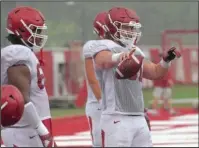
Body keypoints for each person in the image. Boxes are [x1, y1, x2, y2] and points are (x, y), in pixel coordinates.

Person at [91, 7, 181, 147]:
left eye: (133, 28)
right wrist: (120, 56)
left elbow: (156, 72)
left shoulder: (135, 50)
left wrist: (166, 61)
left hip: (138, 116)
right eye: (127, 27)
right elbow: (102, 60)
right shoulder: (104, 46)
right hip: (116, 117)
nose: (132, 32)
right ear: (113, 27)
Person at [1, 6, 56, 147]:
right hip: (25, 129)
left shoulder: (24, 53)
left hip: (28, 128)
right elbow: (18, 98)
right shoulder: (18, 53)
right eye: (37, 31)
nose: (40, 35)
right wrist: (42, 130)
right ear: (22, 31)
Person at [82, 11, 109, 147]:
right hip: (99, 105)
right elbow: (93, 79)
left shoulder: (121, 47)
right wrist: (104, 102)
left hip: (118, 105)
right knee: (100, 143)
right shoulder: (92, 46)